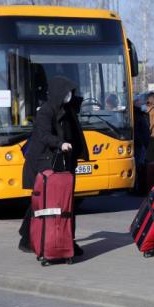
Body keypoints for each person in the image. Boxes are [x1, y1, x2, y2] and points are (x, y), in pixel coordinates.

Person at [18, 76, 89, 254]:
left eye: (71, 93)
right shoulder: (46, 111)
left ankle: (67, 240)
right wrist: (60, 143)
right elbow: (43, 135)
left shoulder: (67, 109)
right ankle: (28, 238)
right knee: (41, 202)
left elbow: (75, 131)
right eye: (67, 93)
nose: (69, 96)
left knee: (64, 202)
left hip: (64, 162)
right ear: (59, 92)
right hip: (43, 162)